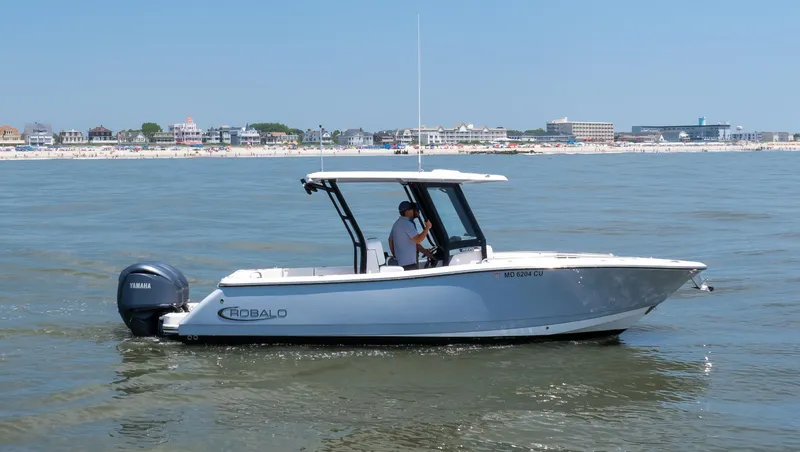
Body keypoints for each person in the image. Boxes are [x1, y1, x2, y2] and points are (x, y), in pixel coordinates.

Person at [388, 201, 435, 271]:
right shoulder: (407, 224)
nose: (417, 211)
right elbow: (418, 240)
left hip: (402, 263)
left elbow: (390, 240)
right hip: (409, 265)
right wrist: (427, 227)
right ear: (407, 211)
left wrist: (426, 253)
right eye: (414, 209)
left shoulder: (398, 223)